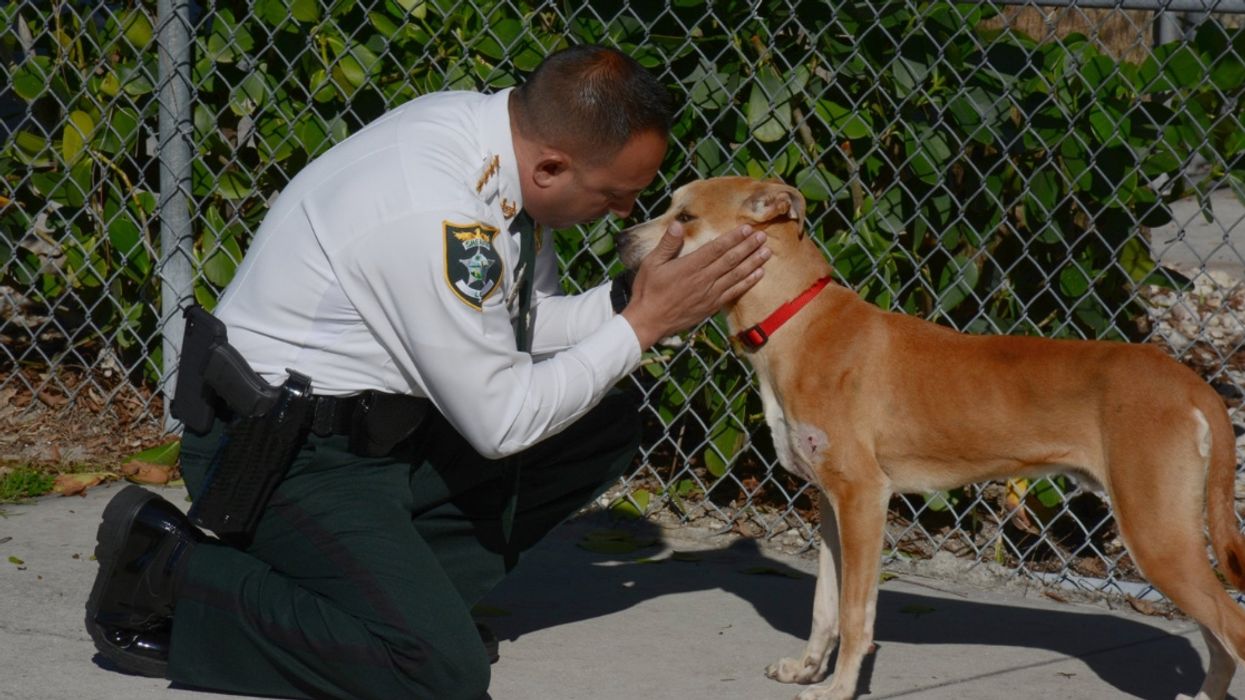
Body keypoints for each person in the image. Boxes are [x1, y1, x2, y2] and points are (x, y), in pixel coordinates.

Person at [84, 44, 769, 699]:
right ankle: (170, 573)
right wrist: (644, 323)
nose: (623, 214)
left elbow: (524, 328)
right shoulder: (432, 208)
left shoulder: (487, 145)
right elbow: (501, 422)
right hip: (285, 455)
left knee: (603, 420)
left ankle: (377, 607)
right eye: (616, 194)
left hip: (378, 433)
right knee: (438, 673)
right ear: (552, 168)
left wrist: (632, 301)